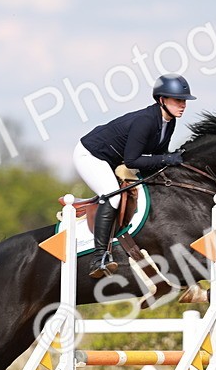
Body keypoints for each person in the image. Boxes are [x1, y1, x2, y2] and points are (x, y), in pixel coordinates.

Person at [73, 73, 195, 277]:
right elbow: (133, 161)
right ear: (162, 100)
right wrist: (167, 159)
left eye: (184, 101)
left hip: (111, 159)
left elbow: (156, 156)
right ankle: (99, 257)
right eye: (178, 100)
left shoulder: (169, 122)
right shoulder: (146, 121)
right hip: (90, 155)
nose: (183, 105)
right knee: (112, 194)